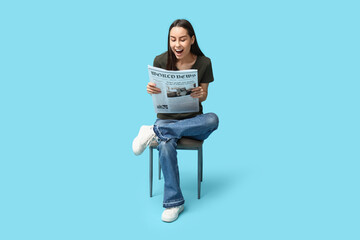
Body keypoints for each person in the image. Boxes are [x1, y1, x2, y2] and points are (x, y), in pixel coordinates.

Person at [132, 19, 219, 223]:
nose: (177, 45)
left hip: (194, 121)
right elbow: (157, 93)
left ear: (192, 39)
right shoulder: (160, 60)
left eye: (182, 39)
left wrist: (200, 93)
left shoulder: (204, 63)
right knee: (166, 145)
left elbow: (205, 95)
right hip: (166, 120)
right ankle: (174, 203)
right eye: (173, 39)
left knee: (213, 119)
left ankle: (153, 131)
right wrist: (151, 90)